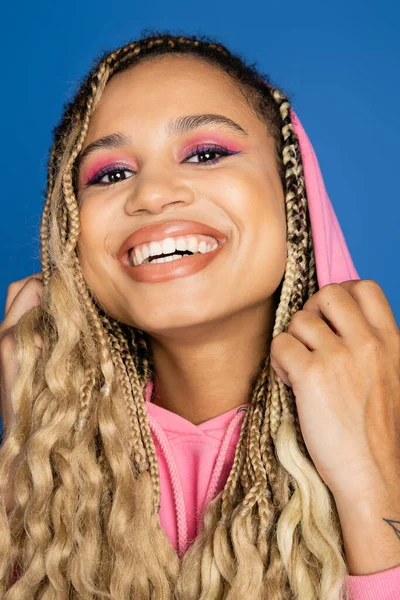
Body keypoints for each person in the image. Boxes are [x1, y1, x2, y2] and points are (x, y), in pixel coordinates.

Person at [0, 31, 399, 599]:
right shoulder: (45, 460)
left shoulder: (389, 429)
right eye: (110, 174)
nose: (153, 194)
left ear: (295, 191)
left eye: (207, 154)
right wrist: (32, 462)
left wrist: (374, 483)